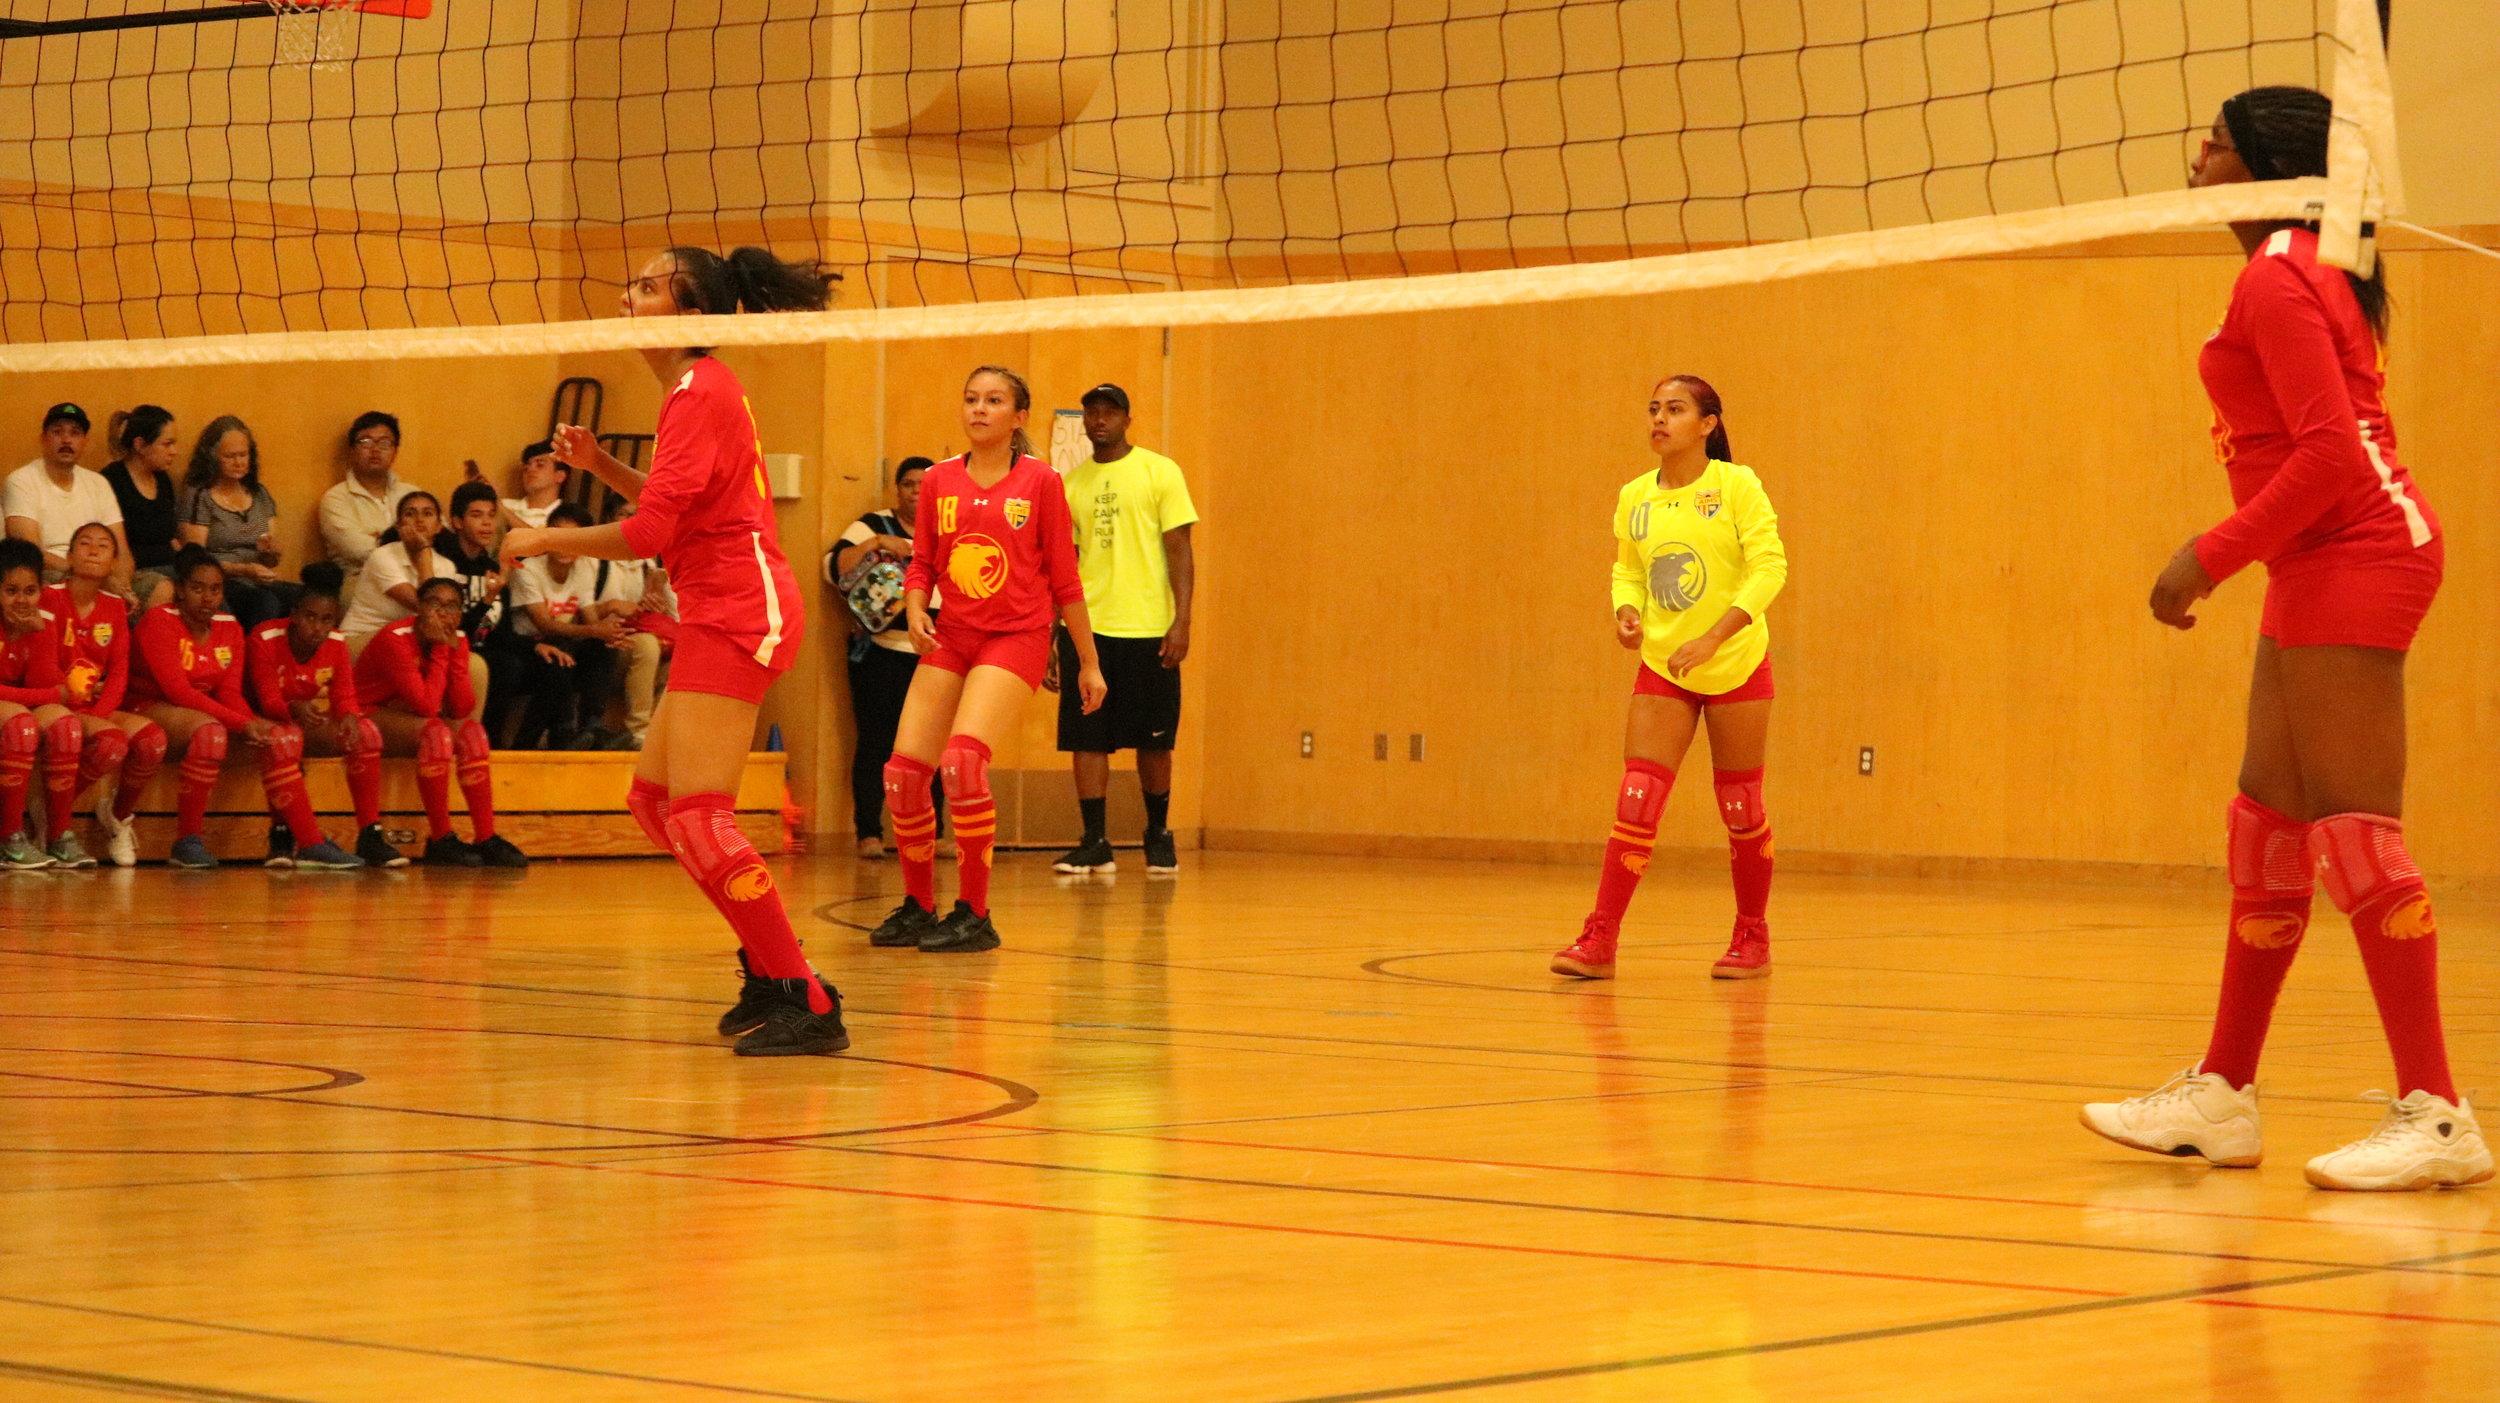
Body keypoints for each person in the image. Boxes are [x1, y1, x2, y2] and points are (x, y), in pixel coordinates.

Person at [2081, 86, 2488, 1193]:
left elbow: (2329, 461)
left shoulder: (2279, 272)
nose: (2197, 152)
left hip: (2359, 548)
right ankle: (2221, 1090)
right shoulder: (2292, 267)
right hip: (2318, 555)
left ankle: (2439, 1112)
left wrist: (2204, 553)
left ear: (2265, 162)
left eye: (2216, 139)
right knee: (2267, 822)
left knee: (2355, 834)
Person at [508, 243, 843, 1056]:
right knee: (654, 804)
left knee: (698, 812)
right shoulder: (692, 392)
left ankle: (804, 991)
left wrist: (536, 538)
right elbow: (674, 508)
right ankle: (770, 966)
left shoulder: (701, 389)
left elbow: (650, 533)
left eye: (649, 287)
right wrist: (600, 467)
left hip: (741, 607)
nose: (628, 295)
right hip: (719, 605)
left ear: (691, 313)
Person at [1550, 375, 1788, 983]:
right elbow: (1627, 571)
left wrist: (1714, 636)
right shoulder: (1636, 496)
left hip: (1734, 663)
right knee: (1637, 798)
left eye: (1675, 409)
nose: (1659, 418)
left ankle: (1751, 937)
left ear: (1707, 424)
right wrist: (1625, 612)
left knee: (1740, 807)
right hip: (1664, 666)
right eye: (1654, 409)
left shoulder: (1736, 485)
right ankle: (1600, 938)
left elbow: (1769, 569)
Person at [865, 366, 1106, 955]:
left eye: (994, 401)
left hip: (1014, 638)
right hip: (952, 635)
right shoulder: (940, 481)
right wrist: (916, 608)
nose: (979, 409)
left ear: (1018, 418)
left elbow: (1066, 580)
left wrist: (1088, 663)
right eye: (971, 398)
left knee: (963, 765)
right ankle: (920, 906)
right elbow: (923, 561)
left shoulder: (1042, 482)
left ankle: (974, 912)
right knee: (901, 775)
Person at [127, 546, 361, 870]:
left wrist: (253, 722)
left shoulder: (229, 626)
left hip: (206, 713)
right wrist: (242, 723)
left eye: (215, 589)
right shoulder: (159, 620)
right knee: (211, 734)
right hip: (149, 706)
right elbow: (177, 691)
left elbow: (230, 693)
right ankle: (187, 840)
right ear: (180, 590)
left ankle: (308, 842)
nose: (207, 598)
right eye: (197, 588)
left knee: (284, 737)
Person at [1049, 384, 1197, 876]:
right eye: (1091, 412)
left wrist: (1182, 618)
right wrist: (1056, 631)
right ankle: (1094, 840)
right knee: (1086, 737)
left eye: (1109, 412)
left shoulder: (1160, 471)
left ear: (1127, 419)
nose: (1099, 420)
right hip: (1089, 630)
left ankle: (1158, 832)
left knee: (1155, 739)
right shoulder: (1069, 485)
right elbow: (1062, 565)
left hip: (1148, 627)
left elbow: (1179, 548)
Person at [352, 577, 526, 869]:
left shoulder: (455, 637)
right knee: (436, 733)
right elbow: (428, 706)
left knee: (473, 733)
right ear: (419, 607)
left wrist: (452, 651)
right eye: (434, 603)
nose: (443, 613)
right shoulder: (395, 638)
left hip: (413, 719)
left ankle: (485, 835)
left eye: (452, 606)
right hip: (370, 715)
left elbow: (460, 708)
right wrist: (445, 651)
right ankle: (441, 837)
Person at [251, 564, 400, 868]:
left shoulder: (335, 642)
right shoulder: (264, 638)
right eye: (310, 617)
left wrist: (348, 715)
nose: (317, 627)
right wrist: (292, 707)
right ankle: (293, 839)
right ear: (294, 615)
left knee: (365, 732)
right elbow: (266, 700)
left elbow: (344, 694)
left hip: (298, 719)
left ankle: (370, 833)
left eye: (326, 620)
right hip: (254, 719)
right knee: (285, 739)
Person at [834, 455, 945, 858]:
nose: (917, 492)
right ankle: (869, 832)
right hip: (880, 654)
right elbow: (834, 567)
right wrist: (878, 544)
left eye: (925, 484)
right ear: (897, 489)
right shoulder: (872, 524)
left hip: (934, 655)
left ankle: (933, 834)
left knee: (934, 747)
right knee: (877, 743)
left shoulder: (951, 527)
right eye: (909, 484)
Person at [43, 522, 170, 868]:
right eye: (84, 543)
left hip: (96, 706)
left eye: (103, 545)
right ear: (69, 556)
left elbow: (119, 670)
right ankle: (55, 823)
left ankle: (117, 815)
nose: (94, 550)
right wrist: (77, 700)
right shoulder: (50, 597)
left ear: (114, 562)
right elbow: (44, 661)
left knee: (151, 740)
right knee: (113, 743)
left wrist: (101, 710)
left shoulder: (114, 607)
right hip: (58, 702)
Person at [0, 537, 87, 869]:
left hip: (15, 704)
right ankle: (9, 837)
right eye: (11, 591)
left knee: (66, 726)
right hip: (11, 709)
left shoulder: (41, 621)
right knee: (22, 724)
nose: (22, 600)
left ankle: (58, 833)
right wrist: (50, 697)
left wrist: (33, 635)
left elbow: (43, 683)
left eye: (30, 591)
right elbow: (52, 693)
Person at [508, 502, 624, 748]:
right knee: (558, 662)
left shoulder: (582, 568)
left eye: (573, 539)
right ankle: (557, 737)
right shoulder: (527, 569)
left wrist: (610, 635)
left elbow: (591, 619)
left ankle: (592, 726)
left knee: (602, 647)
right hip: (524, 645)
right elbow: (542, 622)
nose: (564, 545)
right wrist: (593, 630)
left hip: (561, 640)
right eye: (558, 536)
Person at [178, 415, 297, 630]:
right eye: (230, 456)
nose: (239, 462)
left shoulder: (259, 493)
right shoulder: (200, 495)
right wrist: (243, 570)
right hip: (222, 580)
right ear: (213, 458)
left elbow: (269, 561)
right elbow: (195, 559)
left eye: (244, 454)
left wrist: (271, 552)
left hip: (257, 578)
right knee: (265, 602)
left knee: (304, 598)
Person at [5, 403, 132, 594]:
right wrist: (87, 574)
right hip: (51, 573)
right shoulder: (21, 481)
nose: (66, 440)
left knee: (158, 589)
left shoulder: (99, 483)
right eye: (58, 432)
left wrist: (122, 585)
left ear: (84, 441)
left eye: (74, 433)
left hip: (101, 574)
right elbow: (30, 552)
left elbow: (121, 552)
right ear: (44, 439)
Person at [339, 490, 457, 650]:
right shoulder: (382, 556)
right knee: (401, 649)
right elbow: (425, 607)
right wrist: (423, 549)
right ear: (399, 525)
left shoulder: (446, 566)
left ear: (438, 526)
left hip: (413, 640)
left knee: (470, 663)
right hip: (365, 637)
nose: (419, 520)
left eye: (427, 514)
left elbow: (442, 617)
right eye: (410, 514)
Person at [316, 411, 415, 586]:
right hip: (363, 581)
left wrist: (380, 538)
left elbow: (438, 536)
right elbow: (358, 550)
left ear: (395, 451)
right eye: (366, 442)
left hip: (414, 577)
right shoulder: (336, 499)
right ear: (352, 450)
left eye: (384, 443)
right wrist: (413, 545)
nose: (375, 450)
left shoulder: (411, 495)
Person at [101, 406, 183, 610]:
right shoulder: (112, 480)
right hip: (136, 572)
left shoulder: (163, 480)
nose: (174, 451)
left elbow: (171, 536)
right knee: (168, 590)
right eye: (167, 444)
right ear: (140, 445)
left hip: (171, 566)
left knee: (207, 586)